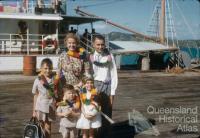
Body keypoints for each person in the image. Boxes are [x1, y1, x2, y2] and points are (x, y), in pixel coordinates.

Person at [90, 34, 118, 137]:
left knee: (107, 112)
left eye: (102, 44)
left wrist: (112, 92)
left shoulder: (109, 56)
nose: (100, 47)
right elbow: (88, 74)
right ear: (93, 44)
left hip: (107, 85)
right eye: (98, 44)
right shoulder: (90, 57)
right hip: (95, 85)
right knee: (94, 111)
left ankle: (105, 135)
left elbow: (113, 73)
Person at [32, 58, 59, 138]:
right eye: (45, 68)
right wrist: (34, 111)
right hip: (40, 106)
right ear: (41, 68)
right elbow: (35, 95)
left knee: (48, 127)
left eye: (50, 68)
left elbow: (58, 93)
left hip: (50, 106)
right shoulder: (37, 80)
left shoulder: (54, 79)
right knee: (40, 127)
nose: (48, 70)